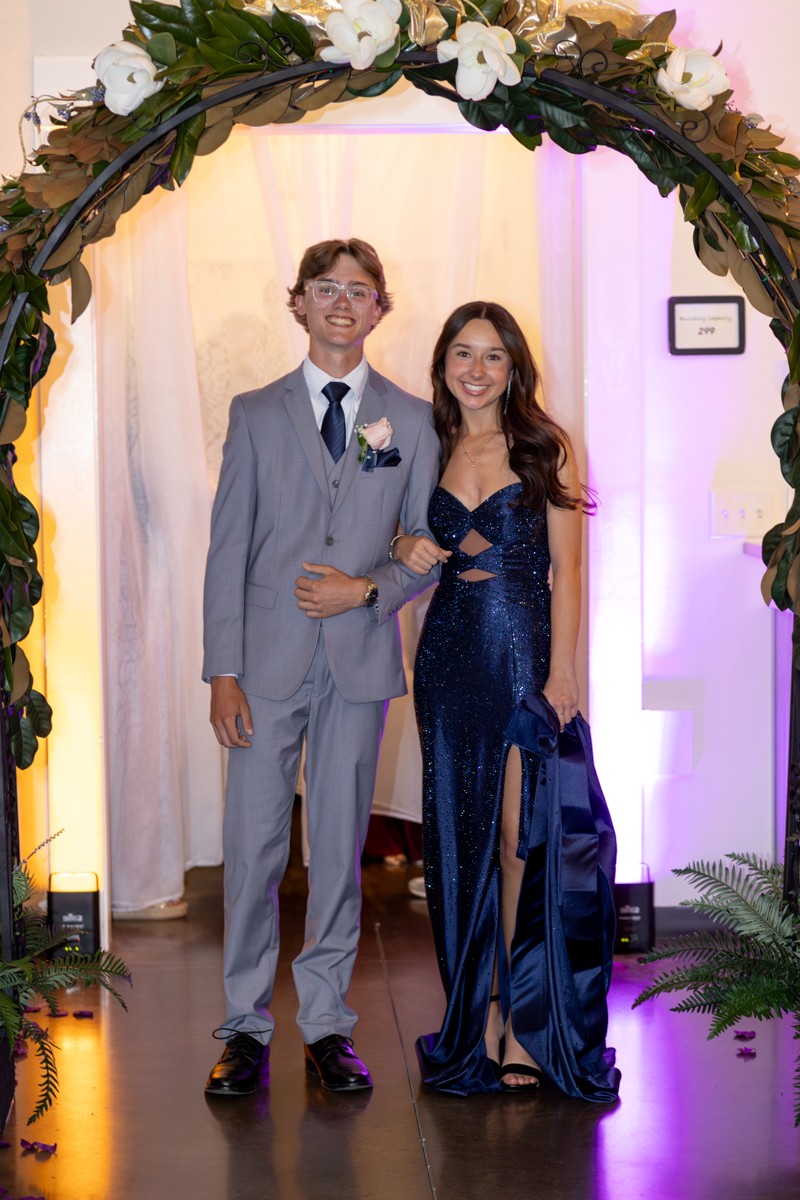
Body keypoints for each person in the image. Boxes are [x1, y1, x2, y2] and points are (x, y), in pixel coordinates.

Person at [202, 238, 443, 1096]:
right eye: (326, 287)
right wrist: (222, 671)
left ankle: (328, 1025)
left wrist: (367, 591)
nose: (343, 301)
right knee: (252, 852)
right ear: (298, 301)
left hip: (359, 664)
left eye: (360, 289)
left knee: (338, 852)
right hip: (263, 667)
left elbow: (426, 545)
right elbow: (227, 549)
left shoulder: (412, 420)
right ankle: (243, 1027)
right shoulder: (254, 413)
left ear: (381, 307)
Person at [393, 301, 620, 1101]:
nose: (478, 369)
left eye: (494, 355)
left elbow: (569, 570)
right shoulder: (426, 441)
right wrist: (401, 543)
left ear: (515, 367)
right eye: (464, 353)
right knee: (464, 840)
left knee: (522, 835)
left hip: (525, 655)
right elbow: (393, 529)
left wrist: (564, 674)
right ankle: (480, 1013)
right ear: (444, 363)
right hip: (447, 657)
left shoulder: (546, 445)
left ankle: (526, 1019)